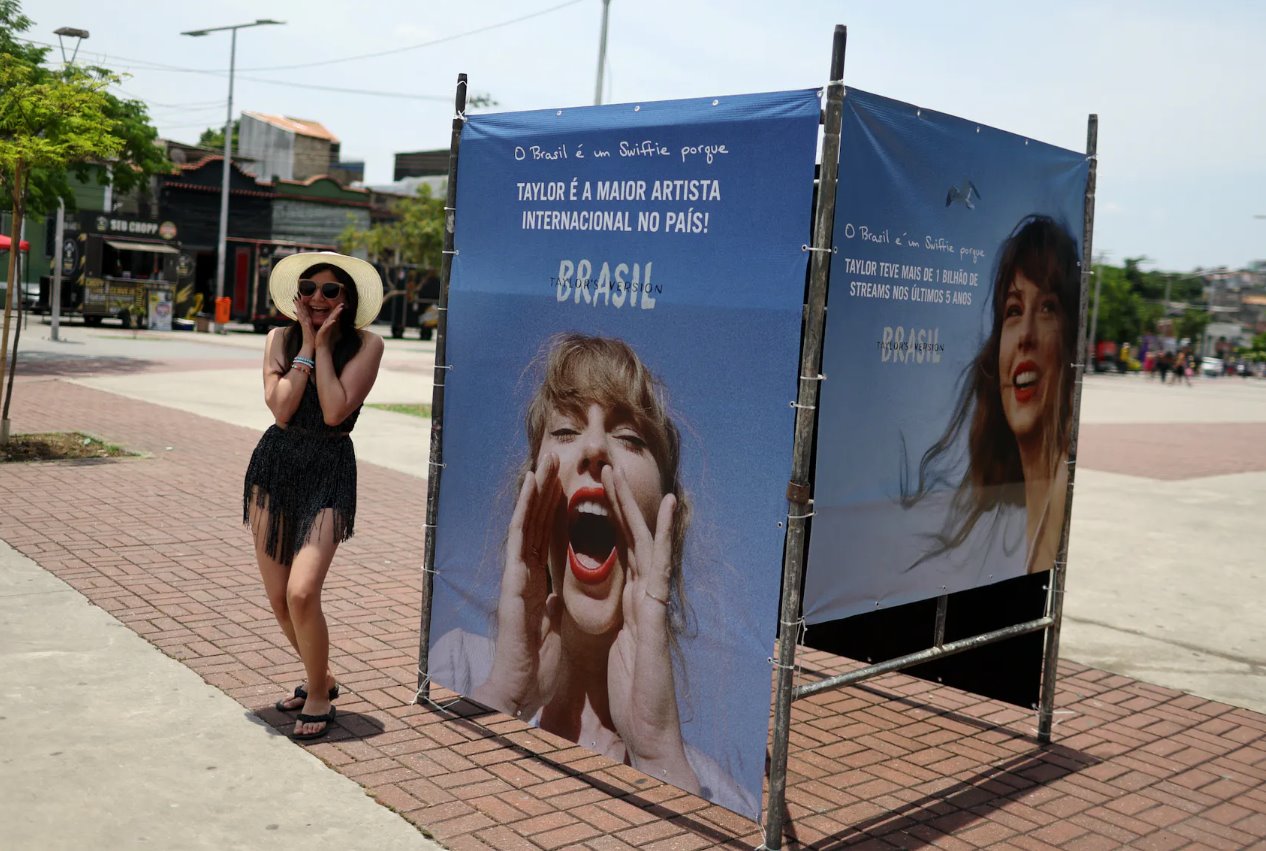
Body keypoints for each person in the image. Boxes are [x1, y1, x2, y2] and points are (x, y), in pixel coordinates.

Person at [435, 334, 707, 796]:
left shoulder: (702, 781)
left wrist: (657, 754)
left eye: (629, 437)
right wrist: (506, 695)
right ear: (531, 492)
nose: (595, 447)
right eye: (564, 431)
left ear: (668, 516)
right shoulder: (459, 668)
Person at [242, 251, 384, 741]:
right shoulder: (277, 338)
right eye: (309, 288)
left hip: (328, 468)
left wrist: (323, 346)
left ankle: (319, 695)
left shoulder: (368, 345)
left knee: (303, 591)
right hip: (275, 467)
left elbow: (332, 412)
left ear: (348, 299)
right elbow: (282, 410)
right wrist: (305, 341)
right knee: (281, 600)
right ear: (296, 296)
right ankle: (319, 677)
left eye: (330, 291)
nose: (317, 298)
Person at [903, 215, 1080, 575]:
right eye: (1014, 311)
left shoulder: (1062, 486)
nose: (1025, 334)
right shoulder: (1018, 511)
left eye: (1048, 308)